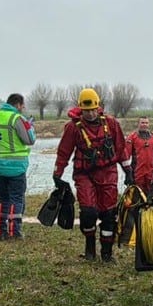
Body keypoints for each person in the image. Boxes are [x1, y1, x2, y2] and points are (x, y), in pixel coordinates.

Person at [53, 88, 131, 262]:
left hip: (108, 173)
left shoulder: (111, 124)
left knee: (108, 214)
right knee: (88, 211)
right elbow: (64, 152)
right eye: (86, 110)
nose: (90, 113)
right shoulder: (73, 128)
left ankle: (106, 253)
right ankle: (89, 246)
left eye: (92, 109)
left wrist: (128, 171)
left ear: (98, 107)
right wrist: (57, 174)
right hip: (84, 174)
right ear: (81, 109)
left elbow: (121, 149)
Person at [0, 93, 36, 240]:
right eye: (22, 105)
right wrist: (30, 126)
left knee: (2, 198)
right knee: (16, 199)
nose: (23, 108)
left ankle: (0, 231)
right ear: (18, 104)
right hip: (16, 166)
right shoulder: (17, 118)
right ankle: (15, 232)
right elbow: (29, 139)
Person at [120, 115, 153, 245]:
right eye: (142, 122)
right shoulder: (132, 138)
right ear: (138, 124)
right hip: (137, 176)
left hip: (151, 176)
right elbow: (125, 157)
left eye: (146, 123)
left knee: (150, 203)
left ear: (149, 124)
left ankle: (150, 232)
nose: (144, 125)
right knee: (134, 205)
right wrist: (128, 175)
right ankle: (130, 235)